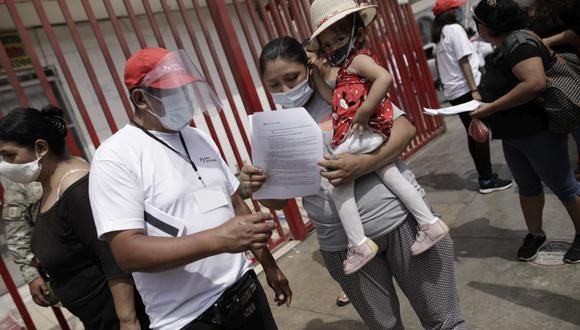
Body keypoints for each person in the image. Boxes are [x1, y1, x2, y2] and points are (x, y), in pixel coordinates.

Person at [243, 35, 467, 329]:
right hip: (343, 244)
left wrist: (361, 165)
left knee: (444, 321)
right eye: (274, 85)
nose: (285, 90)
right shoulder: (274, 131)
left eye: (291, 78)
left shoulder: (344, 89)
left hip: (400, 223)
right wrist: (258, 186)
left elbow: (404, 129)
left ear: (308, 68)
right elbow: (278, 200)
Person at [88, 47, 291, 330]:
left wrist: (269, 264)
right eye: (172, 92)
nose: (184, 100)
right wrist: (219, 239)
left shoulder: (198, 137)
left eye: (185, 90)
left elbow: (233, 205)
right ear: (140, 98)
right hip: (189, 318)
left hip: (246, 293)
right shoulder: (115, 156)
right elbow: (127, 252)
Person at [309, 0, 450, 275]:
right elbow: (332, 101)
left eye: (339, 38)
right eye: (327, 44)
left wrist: (363, 113)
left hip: (365, 131)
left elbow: (385, 79)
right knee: (391, 175)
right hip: (368, 134)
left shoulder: (359, 60)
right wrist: (316, 77)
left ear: (357, 33)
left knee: (337, 187)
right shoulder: (345, 70)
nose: (333, 47)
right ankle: (429, 223)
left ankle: (359, 244)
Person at [0, 106, 149, 329]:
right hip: (97, 318)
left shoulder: (76, 189)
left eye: (10, 155)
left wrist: (127, 320)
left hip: (119, 319)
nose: (5, 165)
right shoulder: (48, 185)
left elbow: (112, 258)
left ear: (40, 148)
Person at [471, 0, 580, 263]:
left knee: (564, 186)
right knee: (527, 186)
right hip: (514, 134)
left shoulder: (520, 44)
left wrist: (491, 108)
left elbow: (535, 83)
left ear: (486, 26)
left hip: (537, 130)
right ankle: (535, 233)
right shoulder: (505, 45)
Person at [432, 0, 513, 194]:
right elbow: (464, 60)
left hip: (454, 92)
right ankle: (486, 180)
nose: (460, 10)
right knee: (481, 133)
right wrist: (474, 88)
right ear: (450, 11)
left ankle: (484, 176)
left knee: (474, 132)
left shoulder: (440, 35)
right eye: (456, 8)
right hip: (467, 90)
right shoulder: (454, 29)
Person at [526, 0, 580, 179]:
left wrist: (544, 42)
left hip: (568, 63)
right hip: (548, 67)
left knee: (575, 114)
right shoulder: (537, 6)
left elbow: (575, 30)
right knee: (561, 115)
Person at [0, 179, 49, 306]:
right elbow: (17, 235)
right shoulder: (17, 186)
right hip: (68, 270)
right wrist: (31, 274)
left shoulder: (75, 165)